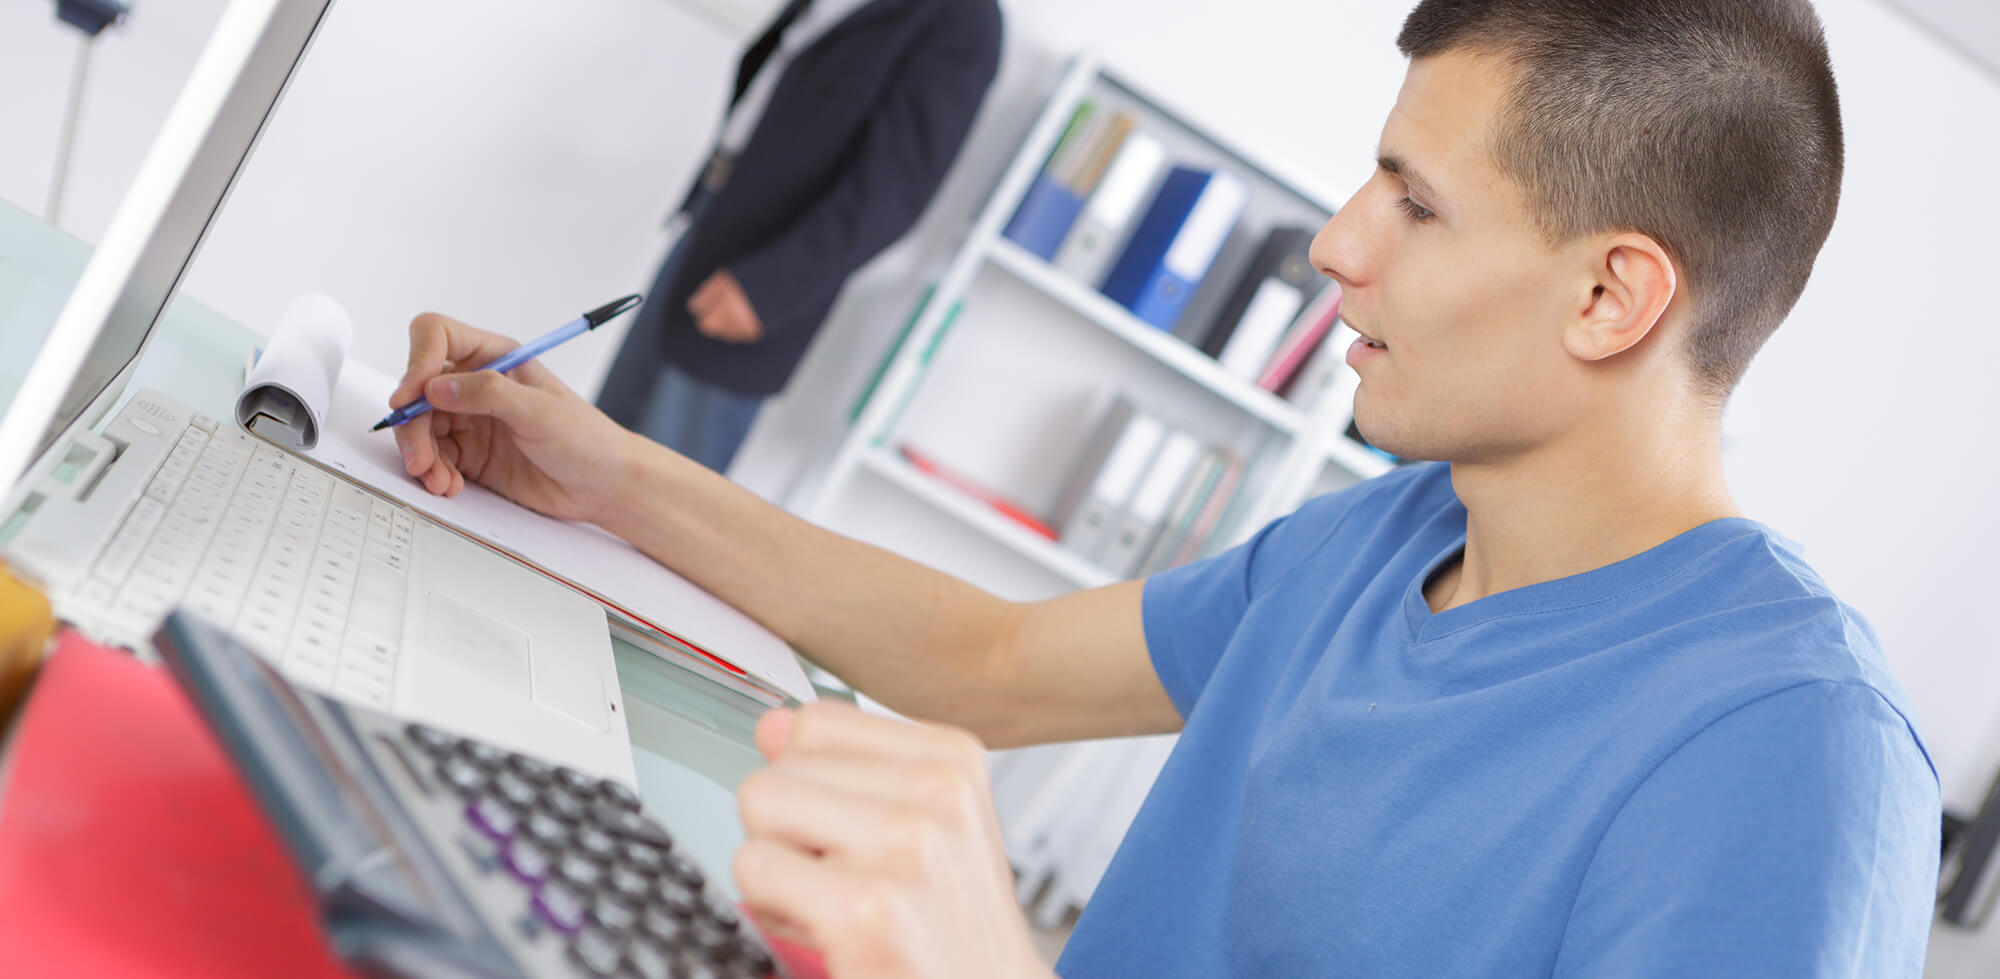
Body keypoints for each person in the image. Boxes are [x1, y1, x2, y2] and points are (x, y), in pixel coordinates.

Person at [388, 0, 1940, 974]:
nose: (1336, 243)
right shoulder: (1381, 537)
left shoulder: (1791, 756)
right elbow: (987, 666)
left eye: (1414, 202)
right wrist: (603, 474)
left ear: (1614, 297)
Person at [592, 0, 1002, 474]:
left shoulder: (963, 19)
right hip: (709, 220)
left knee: (661, 491)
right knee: (592, 442)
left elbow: (895, 189)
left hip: (764, 276)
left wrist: (770, 289)